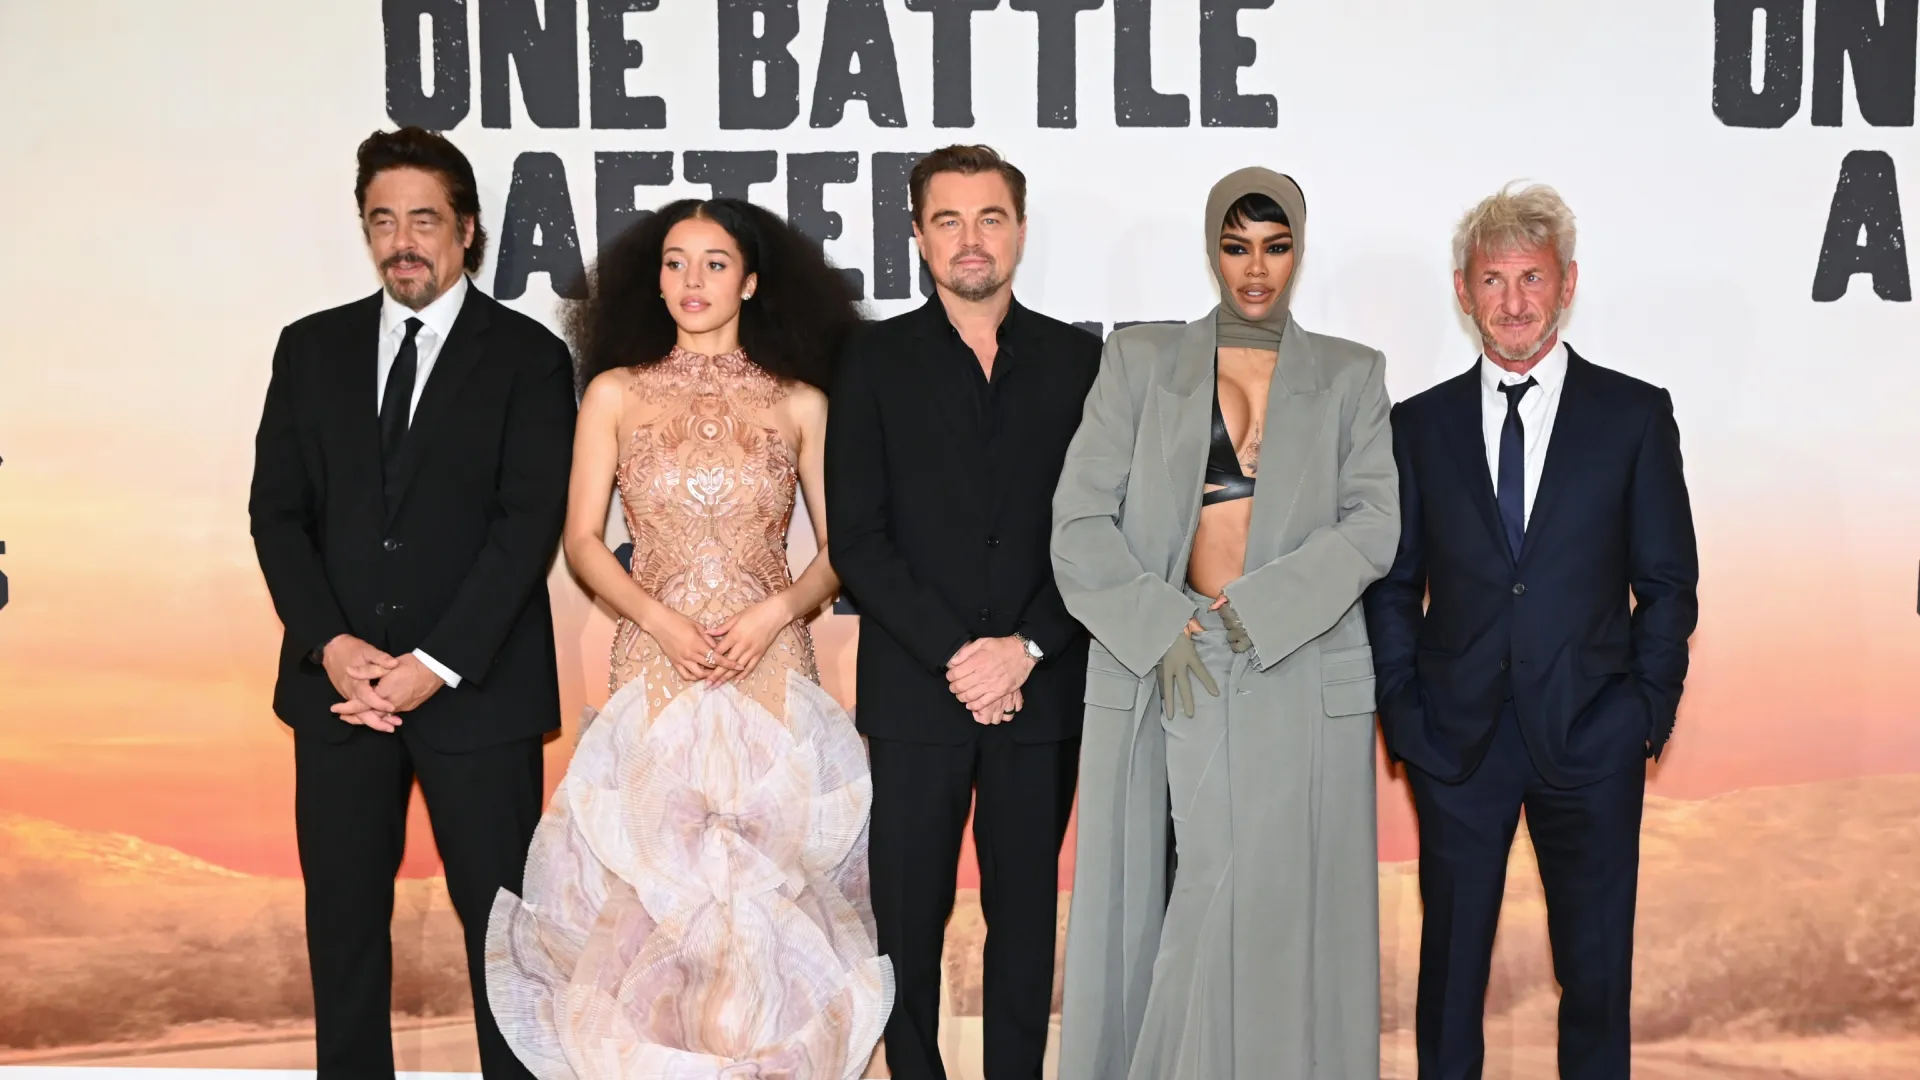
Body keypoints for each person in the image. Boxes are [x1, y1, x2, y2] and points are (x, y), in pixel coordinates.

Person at [483, 197, 893, 1078]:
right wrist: (658, 618)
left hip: (768, 662)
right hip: (652, 659)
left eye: (713, 263)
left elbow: (840, 551)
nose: (691, 281)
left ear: (750, 280)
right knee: (650, 900)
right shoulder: (616, 392)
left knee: (771, 894)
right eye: (675, 261)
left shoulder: (802, 403)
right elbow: (583, 542)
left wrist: (775, 612)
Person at [1050, 167, 1399, 1080]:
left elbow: (1374, 525)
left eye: (1276, 247)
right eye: (1237, 246)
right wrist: (1161, 622)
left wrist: (1263, 607)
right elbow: (1078, 523)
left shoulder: (1354, 374)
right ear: (1212, 249)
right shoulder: (1141, 360)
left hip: (1300, 659)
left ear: (1298, 251)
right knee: (1202, 886)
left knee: (1283, 909)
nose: (1256, 268)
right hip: (1176, 660)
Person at [247, 127, 575, 1080]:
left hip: (479, 696)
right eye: (382, 220)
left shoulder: (527, 358)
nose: (403, 241)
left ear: (466, 230)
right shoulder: (308, 350)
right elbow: (277, 518)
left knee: (503, 942)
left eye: (424, 219)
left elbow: (526, 530)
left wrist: (432, 665)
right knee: (343, 932)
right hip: (338, 694)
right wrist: (333, 647)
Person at [1362, 183, 1698, 1080]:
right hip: (1455, 743)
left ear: (1568, 284)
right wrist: (1404, 711)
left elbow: (1666, 584)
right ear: (1465, 290)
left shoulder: (1633, 417)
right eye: (1494, 279)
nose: (1514, 301)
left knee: (1594, 981)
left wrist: (1644, 714)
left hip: (1592, 737)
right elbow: (1392, 585)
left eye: (1532, 278)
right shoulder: (1417, 425)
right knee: (1450, 983)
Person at [826, 144, 1099, 1080]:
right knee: (907, 917)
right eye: (947, 219)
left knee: (1024, 916)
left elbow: (1102, 533)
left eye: (989, 217)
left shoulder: (1082, 360)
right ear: (916, 236)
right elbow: (858, 539)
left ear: (1019, 231)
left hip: (1043, 690)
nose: (970, 238)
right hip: (915, 694)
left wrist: (1023, 647)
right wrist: (962, 655)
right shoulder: (869, 360)